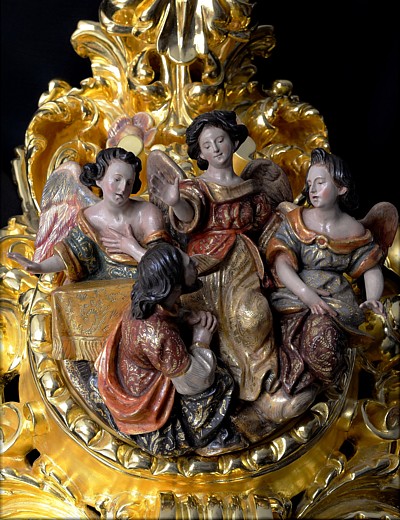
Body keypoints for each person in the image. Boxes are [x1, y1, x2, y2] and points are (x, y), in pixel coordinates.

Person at [149, 110, 292, 407]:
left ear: (233, 141)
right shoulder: (196, 188)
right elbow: (188, 216)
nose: (215, 149)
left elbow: (268, 225)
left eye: (220, 140)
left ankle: (260, 380)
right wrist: (175, 202)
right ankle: (213, 387)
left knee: (253, 317)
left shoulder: (252, 188)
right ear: (200, 153)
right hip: (203, 269)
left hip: (243, 265)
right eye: (207, 145)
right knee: (203, 322)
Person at [93, 242, 245, 457]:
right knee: (221, 381)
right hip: (148, 404)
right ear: (174, 285)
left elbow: (165, 316)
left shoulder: (147, 302)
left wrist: (183, 316)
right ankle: (202, 437)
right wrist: (201, 340)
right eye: (188, 264)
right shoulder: (159, 334)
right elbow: (192, 382)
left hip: (141, 368)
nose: (195, 263)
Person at [265, 147, 393, 400]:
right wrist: (307, 295)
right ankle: (285, 384)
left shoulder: (354, 230)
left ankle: (324, 392)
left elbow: (370, 267)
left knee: (326, 341)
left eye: (320, 183)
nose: (312, 190)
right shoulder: (296, 220)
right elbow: (281, 263)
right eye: (309, 183)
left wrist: (372, 298)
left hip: (335, 301)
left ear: (341, 188)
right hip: (293, 295)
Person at [8, 147, 170, 280]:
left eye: (129, 183)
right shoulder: (88, 218)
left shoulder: (147, 214)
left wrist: (131, 248)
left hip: (145, 285)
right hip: (102, 289)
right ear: (99, 179)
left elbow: (164, 266)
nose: (122, 189)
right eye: (117, 180)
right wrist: (39, 267)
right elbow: (71, 255)